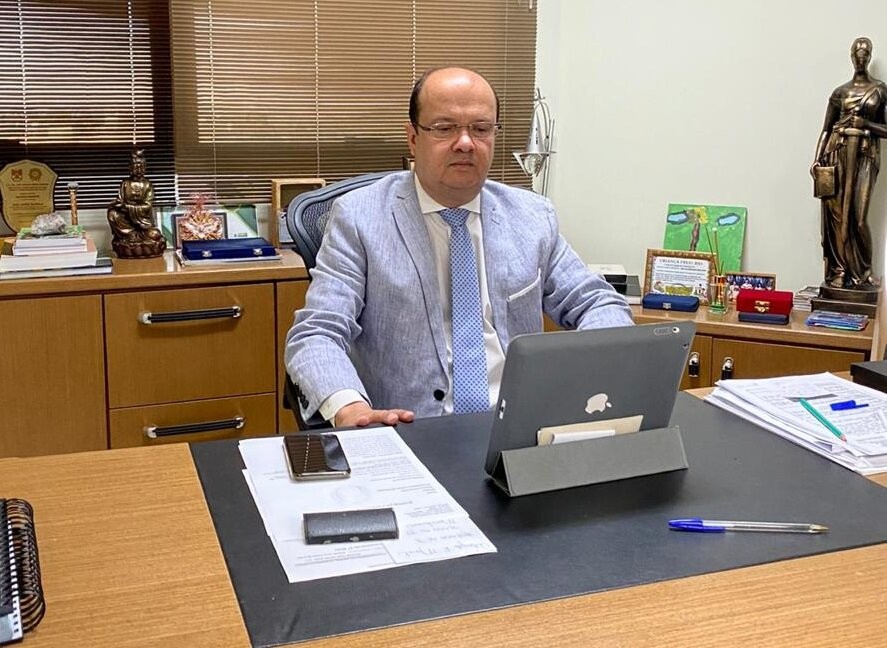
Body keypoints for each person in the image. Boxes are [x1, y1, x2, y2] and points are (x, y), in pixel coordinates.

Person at [285, 66, 633, 428]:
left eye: (480, 129)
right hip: (408, 428)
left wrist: (584, 375)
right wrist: (350, 408)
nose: (465, 142)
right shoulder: (359, 218)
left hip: (519, 426)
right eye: (444, 128)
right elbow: (317, 332)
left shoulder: (532, 217)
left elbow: (599, 302)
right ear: (413, 138)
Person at [811, 37, 887, 290]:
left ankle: (863, 272)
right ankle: (839, 271)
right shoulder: (840, 92)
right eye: (857, 54)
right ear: (852, 57)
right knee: (837, 216)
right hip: (837, 153)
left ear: (870, 57)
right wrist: (816, 159)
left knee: (859, 217)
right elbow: (826, 129)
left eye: (865, 55)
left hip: (865, 156)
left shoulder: (880, 90)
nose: (861, 59)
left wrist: (866, 124)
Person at [107, 149, 166, 258]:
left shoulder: (147, 185)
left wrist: (128, 207)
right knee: (112, 214)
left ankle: (134, 240)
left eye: (141, 167)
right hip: (127, 222)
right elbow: (120, 200)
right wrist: (117, 205)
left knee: (155, 235)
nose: (138, 169)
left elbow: (147, 206)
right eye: (135, 167)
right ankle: (130, 235)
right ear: (130, 168)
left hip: (143, 222)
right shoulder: (125, 183)